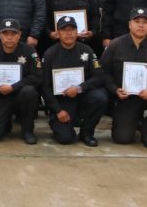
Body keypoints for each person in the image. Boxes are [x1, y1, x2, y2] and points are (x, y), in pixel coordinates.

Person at [101, 8, 147, 148]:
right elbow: (103, 71)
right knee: (122, 138)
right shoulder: (115, 45)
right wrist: (115, 89)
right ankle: (135, 122)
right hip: (126, 97)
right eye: (137, 21)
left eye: (145, 22)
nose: (141, 25)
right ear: (129, 24)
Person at [42, 16, 107, 146]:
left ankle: (86, 133)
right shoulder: (49, 54)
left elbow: (99, 76)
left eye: (72, 30)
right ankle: (57, 122)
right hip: (61, 101)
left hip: (82, 96)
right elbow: (44, 86)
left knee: (100, 97)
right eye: (64, 30)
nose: (69, 33)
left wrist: (79, 88)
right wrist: (58, 110)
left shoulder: (86, 50)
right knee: (65, 139)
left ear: (77, 32)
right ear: (58, 33)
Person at [0, 18, 42, 144]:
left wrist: (14, 87)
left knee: (29, 92)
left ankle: (28, 130)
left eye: (13, 34)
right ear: (0, 35)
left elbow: (38, 76)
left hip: (20, 96)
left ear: (19, 35)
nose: (9, 38)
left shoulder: (30, 52)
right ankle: (5, 123)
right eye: (5, 34)